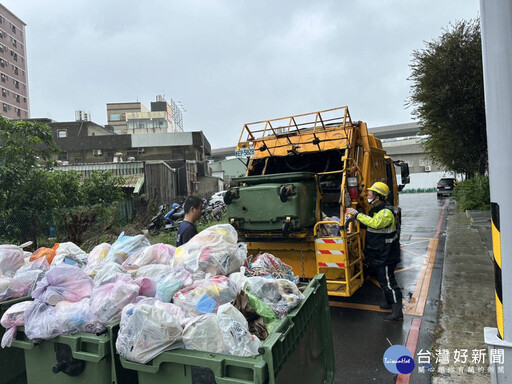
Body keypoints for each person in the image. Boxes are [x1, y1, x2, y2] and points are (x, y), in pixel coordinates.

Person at [346, 181, 403, 321]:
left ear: (378, 197)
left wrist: (358, 215)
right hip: (381, 253)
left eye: (370, 194)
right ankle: (389, 302)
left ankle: (397, 311)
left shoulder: (386, 212)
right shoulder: (376, 210)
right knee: (383, 280)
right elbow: (371, 226)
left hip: (387, 254)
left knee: (388, 282)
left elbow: (375, 224)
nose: (367, 196)